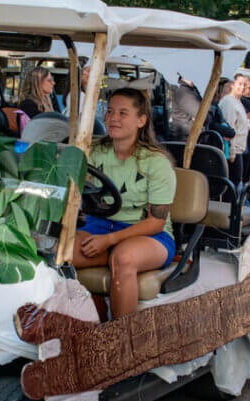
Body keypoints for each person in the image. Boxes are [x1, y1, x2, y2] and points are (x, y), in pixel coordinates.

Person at [73, 88, 176, 320]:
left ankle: (120, 342)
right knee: (59, 251)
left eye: (122, 113)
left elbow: (156, 222)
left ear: (141, 120)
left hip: (150, 235)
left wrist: (109, 241)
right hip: (100, 226)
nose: (113, 118)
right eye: (109, 112)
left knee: (124, 257)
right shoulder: (94, 151)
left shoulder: (156, 163)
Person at [218, 74, 250, 183]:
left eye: (244, 85)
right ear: (232, 85)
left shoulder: (238, 102)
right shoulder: (229, 102)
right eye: (239, 84)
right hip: (233, 151)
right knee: (233, 182)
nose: (242, 87)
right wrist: (232, 153)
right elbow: (229, 128)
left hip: (240, 149)